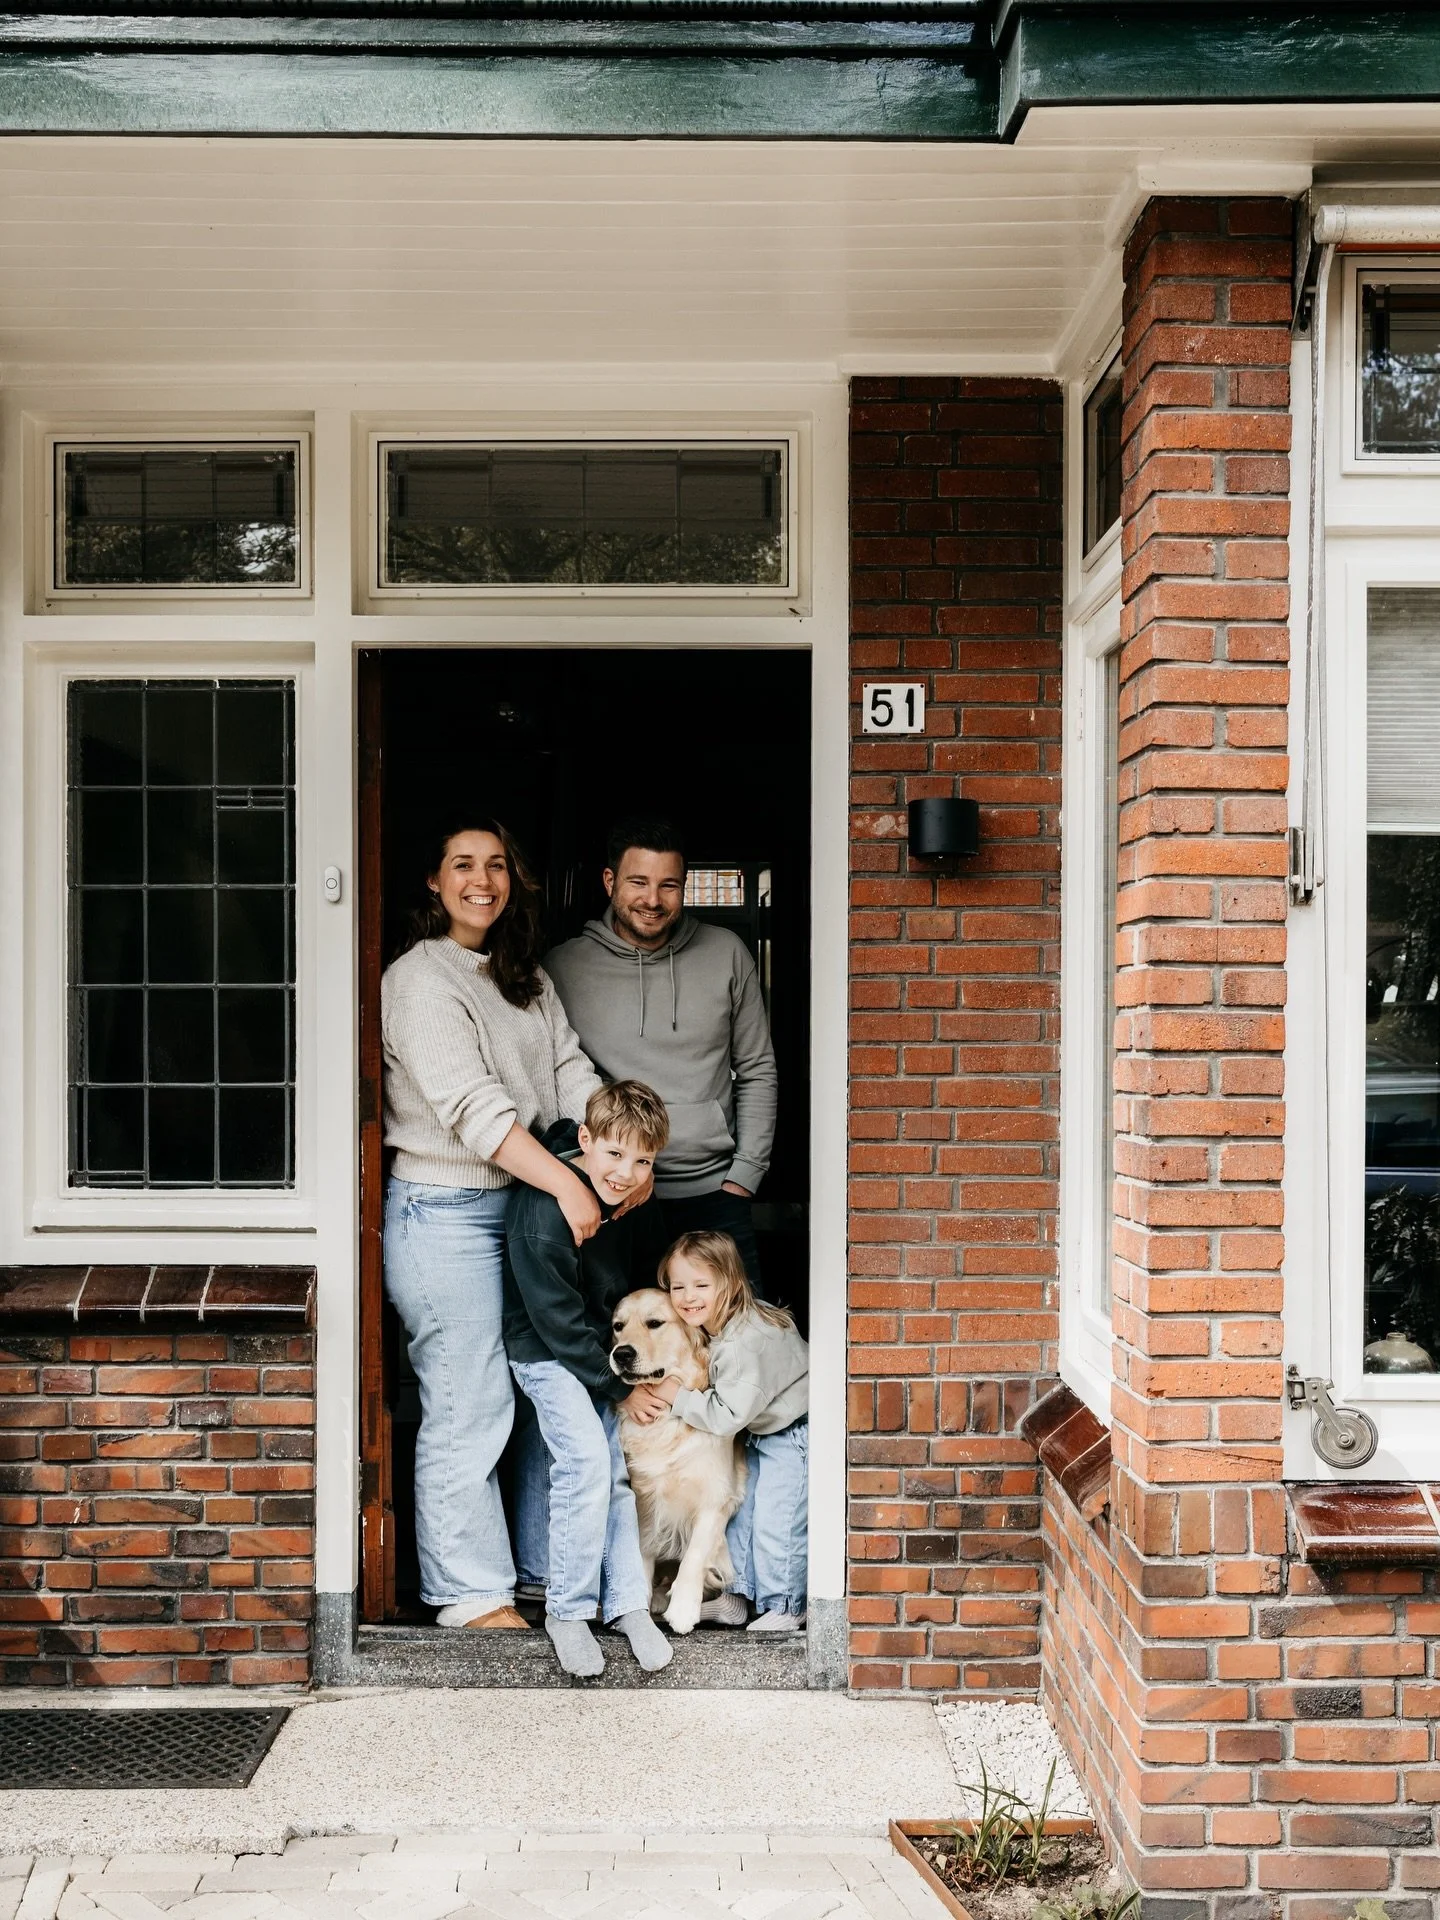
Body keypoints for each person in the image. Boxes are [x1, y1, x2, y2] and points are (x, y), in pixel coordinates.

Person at [381, 819, 607, 1632]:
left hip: (523, 1206)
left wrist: (617, 1149)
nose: (483, 879)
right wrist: (576, 1189)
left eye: (497, 865)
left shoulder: (525, 977)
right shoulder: (416, 981)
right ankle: (471, 1596)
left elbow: (571, 1070)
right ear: (433, 884)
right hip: (443, 1214)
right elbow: (476, 1114)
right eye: (462, 865)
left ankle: (545, 1575)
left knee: (547, 1392)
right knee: (471, 1404)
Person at [545, 818, 777, 1286]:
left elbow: (757, 1068)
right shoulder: (562, 967)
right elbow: (551, 1076)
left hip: (714, 1192)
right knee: (632, 1346)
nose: (653, 900)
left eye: (668, 885)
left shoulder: (727, 953)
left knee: (742, 1344)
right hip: (614, 1194)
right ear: (610, 882)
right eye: (638, 882)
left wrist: (744, 1177)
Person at [503, 1080, 675, 1677]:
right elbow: (554, 1322)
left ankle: (628, 1605)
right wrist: (622, 1390)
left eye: (642, 1161)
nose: (626, 1173)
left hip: (595, 1350)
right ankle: (568, 1611)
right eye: (614, 1154)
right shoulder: (544, 1211)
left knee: (616, 1473)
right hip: (546, 1353)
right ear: (584, 1140)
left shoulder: (619, 1193)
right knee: (583, 1463)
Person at [647, 1229, 808, 1633]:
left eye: (701, 1284)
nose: (687, 1296)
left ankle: (788, 1605)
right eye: (677, 1286)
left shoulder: (744, 1343)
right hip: (762, 1431)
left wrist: (675, 1395)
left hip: (793, 1435)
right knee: (741, 1517)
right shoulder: (722, 1324)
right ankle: (735, 1601)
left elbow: (725, 1415)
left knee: (777, 1520)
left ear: (731, 1282)